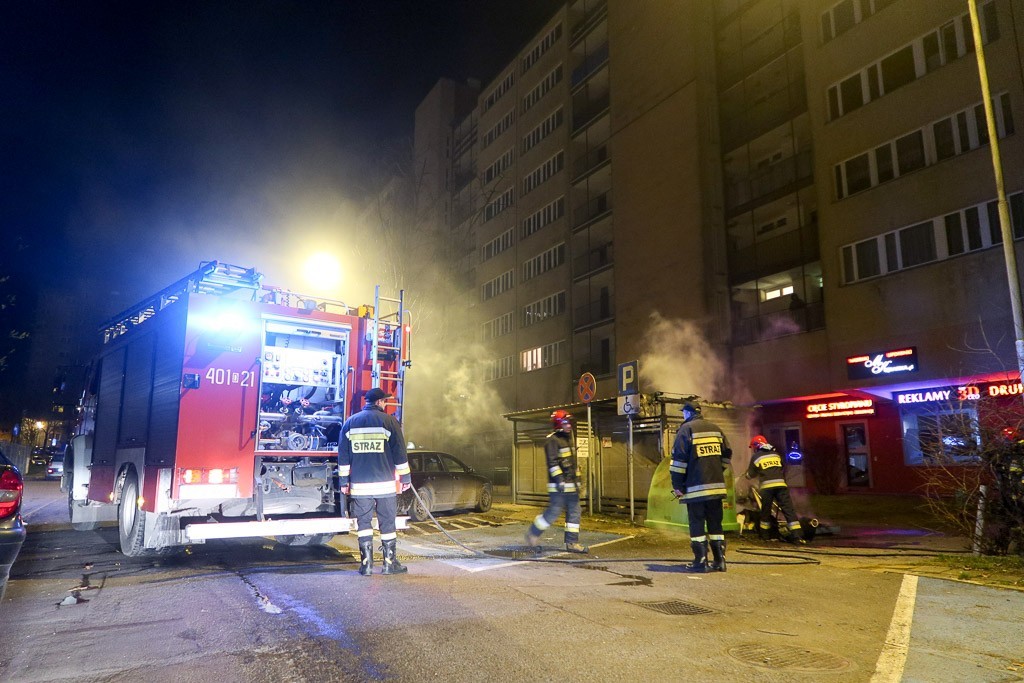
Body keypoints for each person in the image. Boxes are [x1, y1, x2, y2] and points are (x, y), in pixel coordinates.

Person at [338, 387, 412, 575]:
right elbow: (399, 452)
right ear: (379, 402)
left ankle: (366, 565)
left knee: (363, 523)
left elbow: (343, 456)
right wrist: (405, 477)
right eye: (384, 401)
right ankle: (389, 564)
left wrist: (344, 481)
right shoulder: (389, 422)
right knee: (387, 523)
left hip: (360, 486)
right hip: (385, 485)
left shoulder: (350, 423)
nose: (385, 404)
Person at [670, 401, 732, 572]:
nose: (683, 415)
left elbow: (678, 462)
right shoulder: (715, 429)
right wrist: (718, 470)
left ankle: (701, 561)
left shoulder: (686, 429)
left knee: (697, 523)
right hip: (716, 488)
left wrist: (677, 485)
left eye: (683, 412)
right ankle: (720, 561)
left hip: (695, 488)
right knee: (715, 524)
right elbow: (727, 454)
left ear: (688, 413)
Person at [524, 409, 589, 553]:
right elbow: (552, 463)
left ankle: (572, 543)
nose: (569, 425)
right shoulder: (552, 440)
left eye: (569, 422)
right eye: (565, 422)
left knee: (575, 513)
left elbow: (572, 463)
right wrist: (561, 481)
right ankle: (532, 534)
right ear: (559, 424)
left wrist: (577, 481)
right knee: (553, 513)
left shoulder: (568, 438)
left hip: (571, 487)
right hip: (559, 487)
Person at [746, 435, 805, 544]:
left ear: (757, 446)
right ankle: (797, 536)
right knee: (788, 510)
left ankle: (765, 536)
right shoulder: (776, 454)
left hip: (767, 488)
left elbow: (750, 474)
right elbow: (782, 467)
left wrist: (747, 475)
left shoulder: (756, 457)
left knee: (766, 512)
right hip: (781, 486)